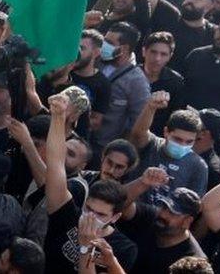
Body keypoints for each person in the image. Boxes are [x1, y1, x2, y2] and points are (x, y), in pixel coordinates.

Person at [42, 94, 138, 273]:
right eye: (89, 209)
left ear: (115, 217)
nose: (91, 218)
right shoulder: (68, 216)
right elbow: (55, 165)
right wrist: (58, 117)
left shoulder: (123, 249)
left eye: (101, 214)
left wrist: (85, 247)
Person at [128, 92, 209, 199]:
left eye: (189, 142)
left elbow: (193, 204)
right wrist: (151, 107)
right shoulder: (152, 144)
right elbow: (138, 134)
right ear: (166, 132)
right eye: (177, 139)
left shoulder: (198, 166)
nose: (182, 145)